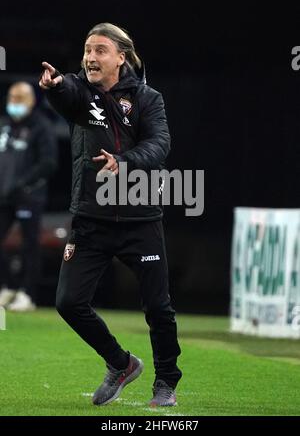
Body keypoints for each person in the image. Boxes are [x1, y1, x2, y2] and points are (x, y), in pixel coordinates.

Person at [39, 23, 182, 407]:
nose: (90, 57)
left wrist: (124, 161)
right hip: (91, 218)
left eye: (100, 50)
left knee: (158, 307)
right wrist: (54, 86)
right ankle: (120, 364)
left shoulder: (148, 98)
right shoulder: (79, 93)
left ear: (121, 56)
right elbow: (66, 92)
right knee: (69, 303)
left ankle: (166, 381)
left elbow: (159, 144)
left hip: (140, 220)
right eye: (87, 49)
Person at [0, 82, 57, 311]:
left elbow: (49, 162)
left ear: (32, 101)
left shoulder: (41, 127)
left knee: (29, 245)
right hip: (4, 196)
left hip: (28, 196)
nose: (15, 102)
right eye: (12, 97)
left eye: (21, 98)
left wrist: (23, 184)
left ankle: (27, 293)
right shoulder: (5, 127)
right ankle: (9, 286)